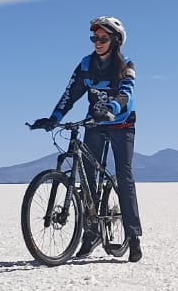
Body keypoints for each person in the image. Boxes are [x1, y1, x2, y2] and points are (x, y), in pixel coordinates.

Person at [29, 16, 143, 262]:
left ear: (114, 41)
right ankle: (91, 234)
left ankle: (133, 237)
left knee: (124, 177)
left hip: (122, 126)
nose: (97, 42)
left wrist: (111, 107)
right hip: (94, 125)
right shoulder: (85, 65)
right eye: (94, 38)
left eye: (103, 38)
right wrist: (53, 117)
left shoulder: (126, 66)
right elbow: (70, 93)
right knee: (87, 178)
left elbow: (126, 95)